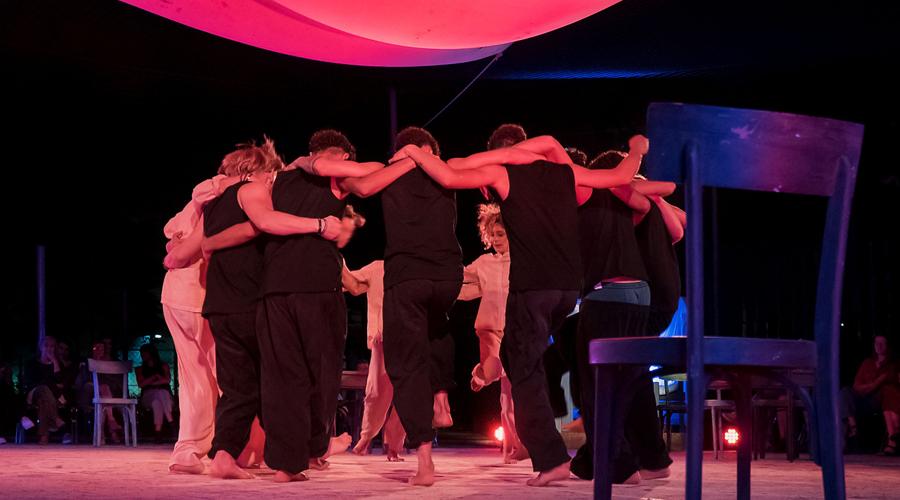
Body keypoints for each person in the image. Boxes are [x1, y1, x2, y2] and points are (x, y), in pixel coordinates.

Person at [395, 130, 644, 486]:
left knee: (521, 367)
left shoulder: (504, 172)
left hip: (533, 288)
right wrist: (637, 148)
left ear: (503, 152)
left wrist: (415, 154)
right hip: (568, 290)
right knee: (540, 362)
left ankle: (551, 458)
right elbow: (620, 176)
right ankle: (616, 460)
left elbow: (451, 171)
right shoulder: (565, 172)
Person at [569, 151, 674, 484]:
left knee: (596, 384)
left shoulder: (586, 195)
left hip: (608, 294)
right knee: (632, 381)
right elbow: (678, 228)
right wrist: (649, 191)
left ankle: (618, 465)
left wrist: (635, 153)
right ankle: (650, 460)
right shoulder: (632, 202)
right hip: (641, 296)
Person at [379, 126, 463, 486]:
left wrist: (402, 158)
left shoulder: (387, 173)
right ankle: (442, 396)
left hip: (407, 274)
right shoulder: (448, 172)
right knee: (438, 323)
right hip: (448, 276)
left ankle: (425, 460)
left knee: (406, 363)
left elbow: (360, 185)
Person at [161, 156, 241, 474]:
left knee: (199, 379)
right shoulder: (216, 188)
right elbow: (178, 247)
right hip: (195, 295)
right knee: (227, 376)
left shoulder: (202, 200)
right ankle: (229, 448)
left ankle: (190, 450)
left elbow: (171, 237)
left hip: (180, 294)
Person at [457, 203, 526, 463]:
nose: (496, 240)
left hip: (514, 330)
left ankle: (512, 447)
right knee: (493, 372)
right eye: (493, 235)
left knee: (509, 394)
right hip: (487, 327)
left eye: (501, 234)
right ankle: (480, 373)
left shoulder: (522, 262)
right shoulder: (484, 262)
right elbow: (461, 283)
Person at [841, 335, 900, 455]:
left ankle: (892, 438)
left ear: (888, 346)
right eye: (876, 343)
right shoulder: (867, 363)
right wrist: (876, 383)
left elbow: (893, 385)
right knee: (845, 392)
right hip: (863, 398)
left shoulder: (893, 365)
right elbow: (856, 386)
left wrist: (871, 386)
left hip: (879, 401)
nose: (878, 346)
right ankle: (852, 426)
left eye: (882, 343)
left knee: (888, 391)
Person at [23, 337, 67, 444]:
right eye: (46, 345)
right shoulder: (32, 363)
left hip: (51, 396)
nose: (49, 348)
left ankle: (44, 435)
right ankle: (55, 419)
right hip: (33, 393)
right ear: (40, 347)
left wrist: (55, 362)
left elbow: (61, 381)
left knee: (45, 400)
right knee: (44, 389)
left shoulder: (57, 364)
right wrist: (50, 384)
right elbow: (31, 382)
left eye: (52, 346)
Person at [136, 343, 174, 443]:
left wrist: (151, 382)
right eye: (141, 353)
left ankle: (158, 433)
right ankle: (171, 421)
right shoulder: (140, 369)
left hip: (164, 396)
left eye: (144, 353)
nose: (142, 355)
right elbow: (141, 384)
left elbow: (167, 380)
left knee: (157, 401)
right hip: (148, 396)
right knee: (159, 393)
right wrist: (155, 377)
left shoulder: (163, 366)